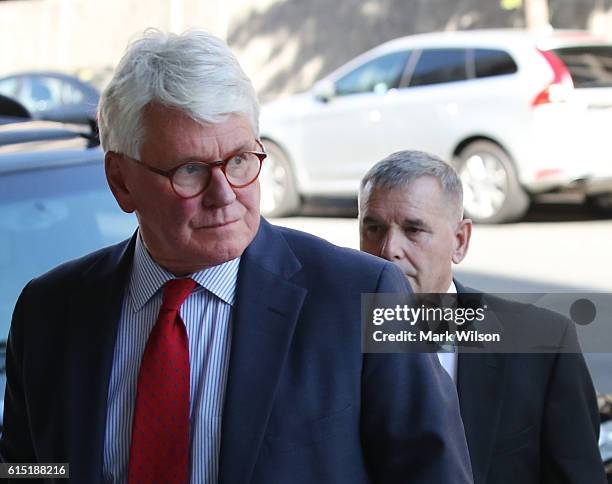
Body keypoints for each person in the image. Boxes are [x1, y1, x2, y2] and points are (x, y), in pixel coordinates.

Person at [0, 30, 473, 483]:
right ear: (121, 181)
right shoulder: (50, 311)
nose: (225, 195)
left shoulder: (360, 296)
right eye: (190, 170)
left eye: (241, 160)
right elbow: (28, 469)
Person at [358, 150, 606, 484]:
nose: (389, 249)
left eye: (414, 230)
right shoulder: (324, 339)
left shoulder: (543, 346)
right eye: (373, 229)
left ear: (459, 242)